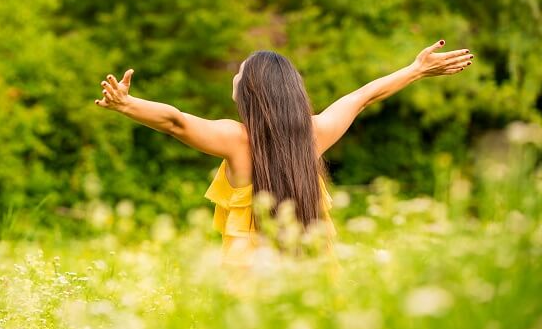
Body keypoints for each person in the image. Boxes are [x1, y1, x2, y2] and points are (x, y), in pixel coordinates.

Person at [93, 39, 474, 280]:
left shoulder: (236, 139)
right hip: (313, 277)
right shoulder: (314, 134)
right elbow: (363, 97)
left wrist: (128, 104)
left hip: (249, 284)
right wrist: (416, 69)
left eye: (240, 73)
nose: (235, 77)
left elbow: (176, 121)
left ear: (250, 91)